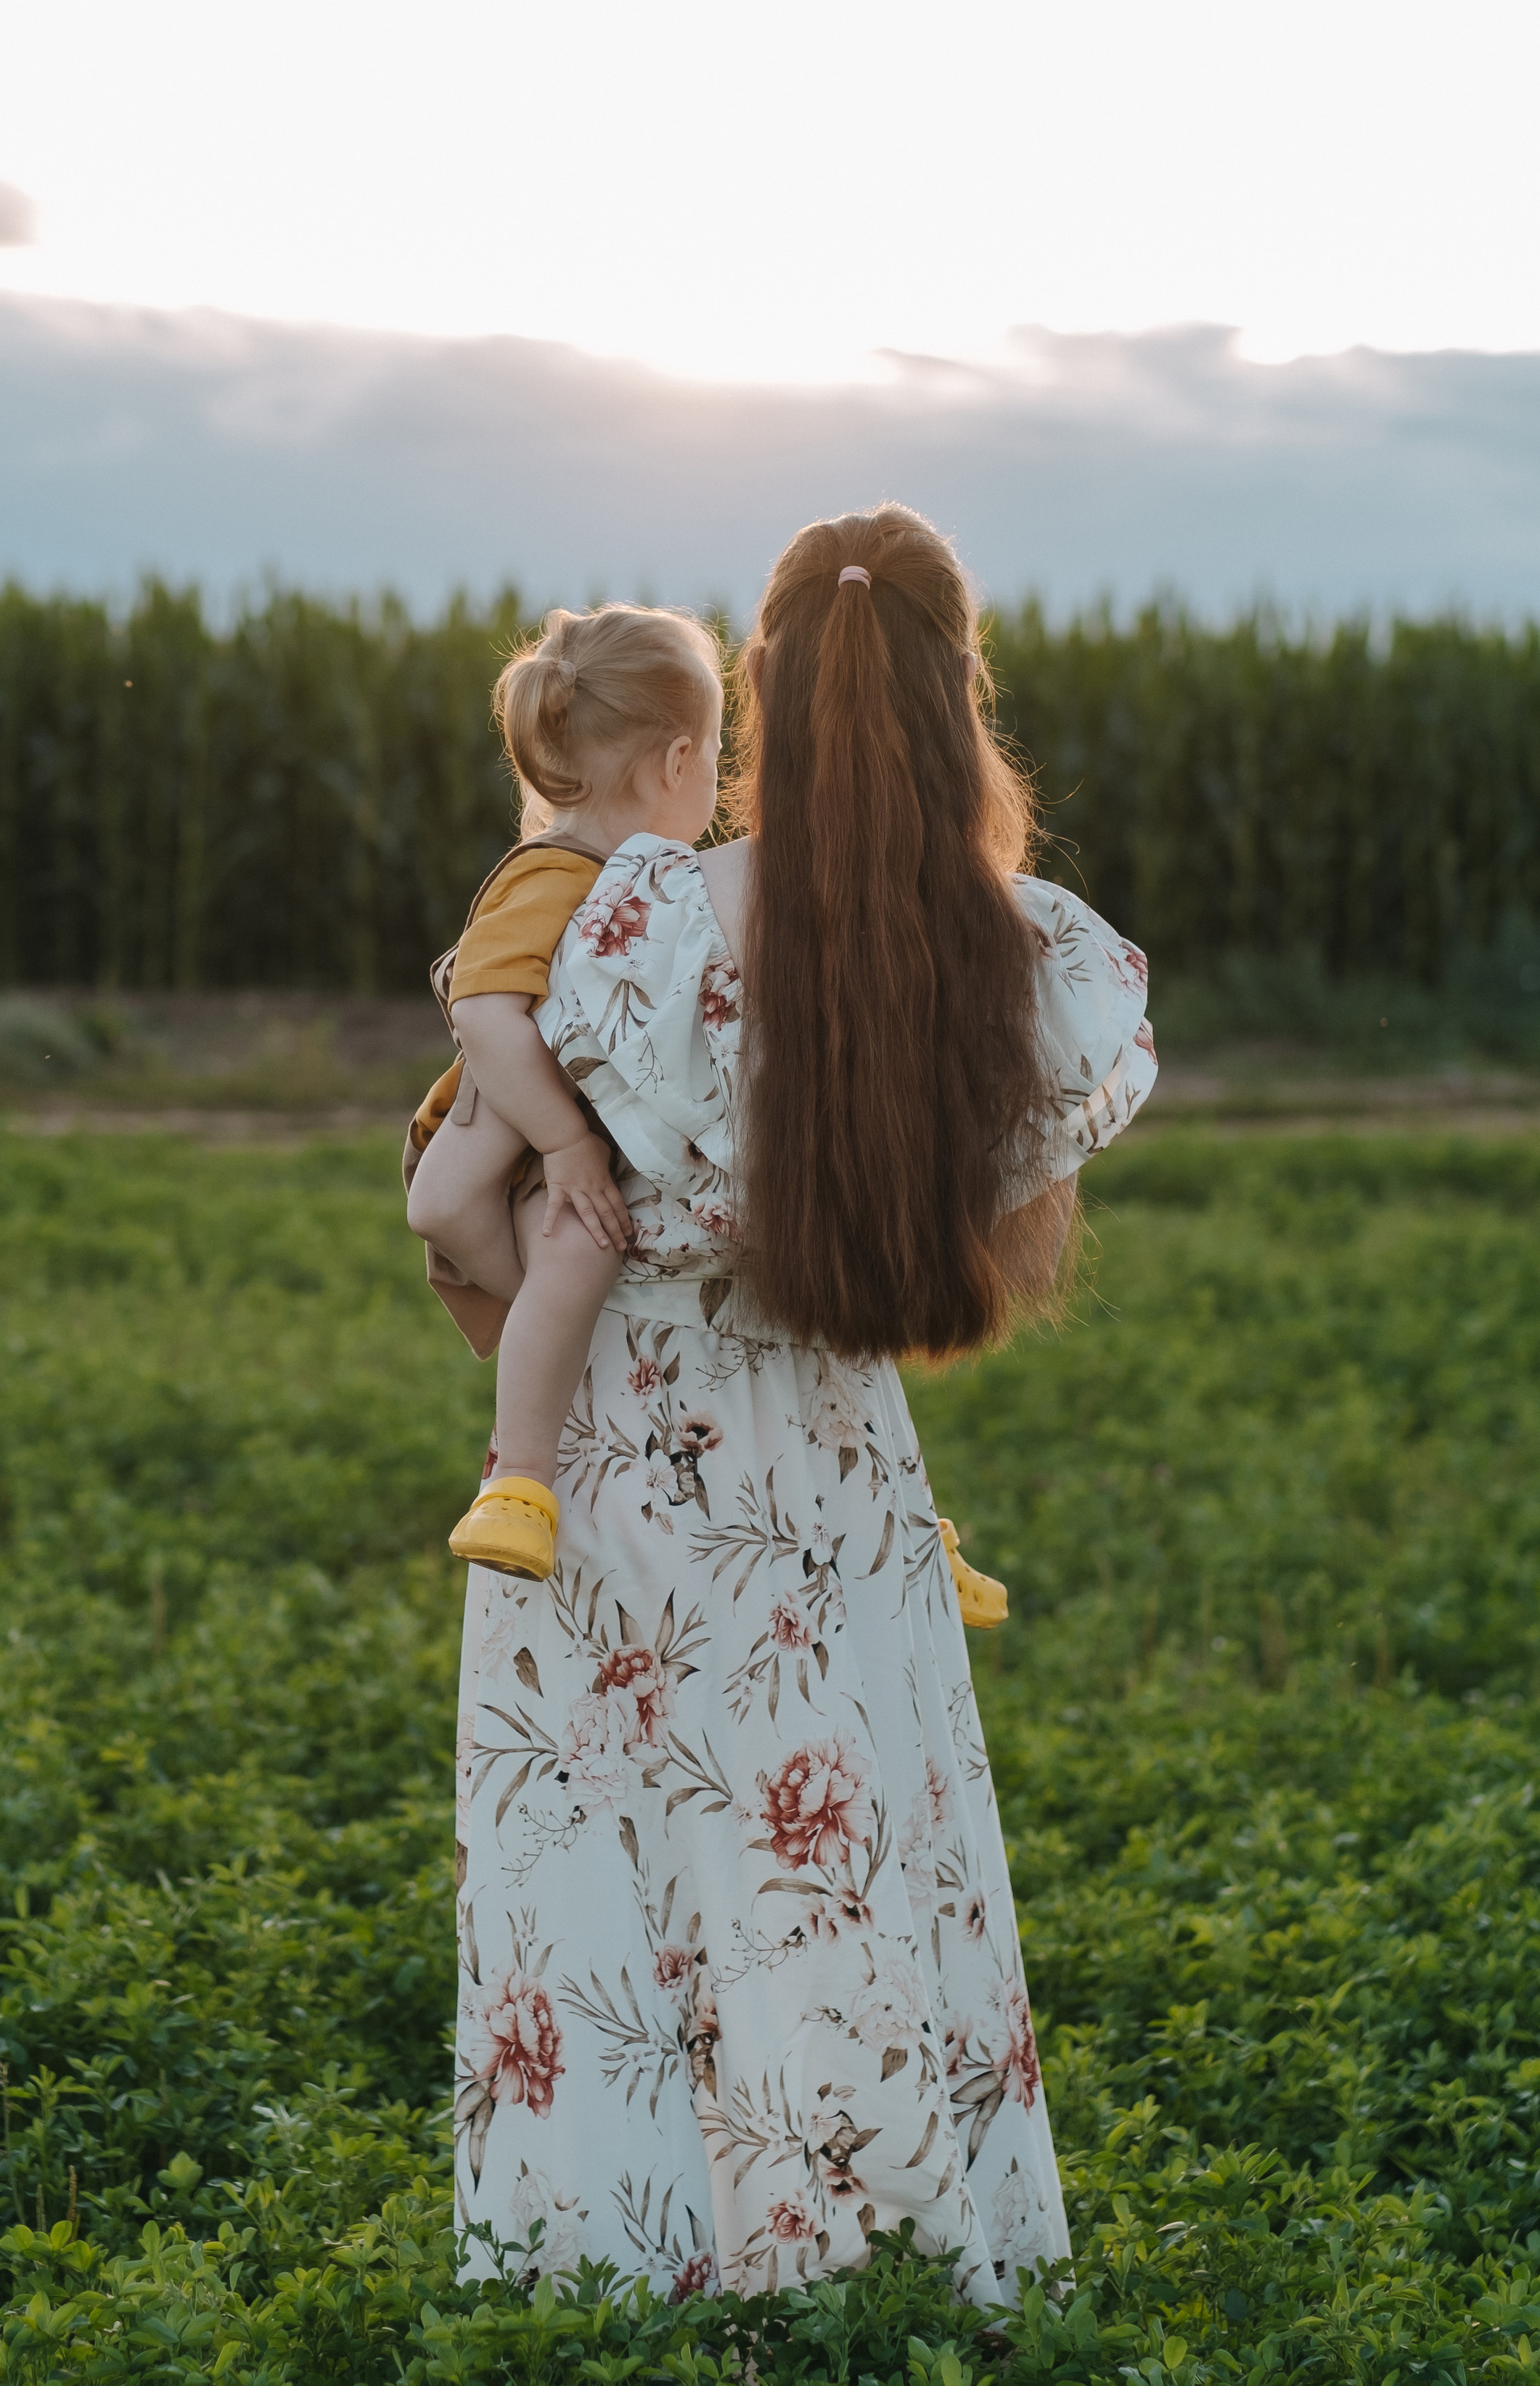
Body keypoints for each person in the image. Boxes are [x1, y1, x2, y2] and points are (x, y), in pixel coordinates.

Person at [452, 506, 1158, 2305]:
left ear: (761, 683)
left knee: (624, 1854)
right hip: (834, 1462)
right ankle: (878, 2269)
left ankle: (613, 2281)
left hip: (627, 1444)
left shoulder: (642, 922)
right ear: (957, 689)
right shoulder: (1026, 961)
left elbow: (496, 1161)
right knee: (840, 1849)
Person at [406, 604, 727, 1583]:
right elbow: (482, 1010)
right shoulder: (560, 875)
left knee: (577, 1287)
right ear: (677, 761)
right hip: (517, 1145)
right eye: (718, 755)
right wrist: (565, 1143)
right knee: (582, 1251)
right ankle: (521, 1481)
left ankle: (561, 1374)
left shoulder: (617, 875)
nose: (718, 780)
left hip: (535, 1137)